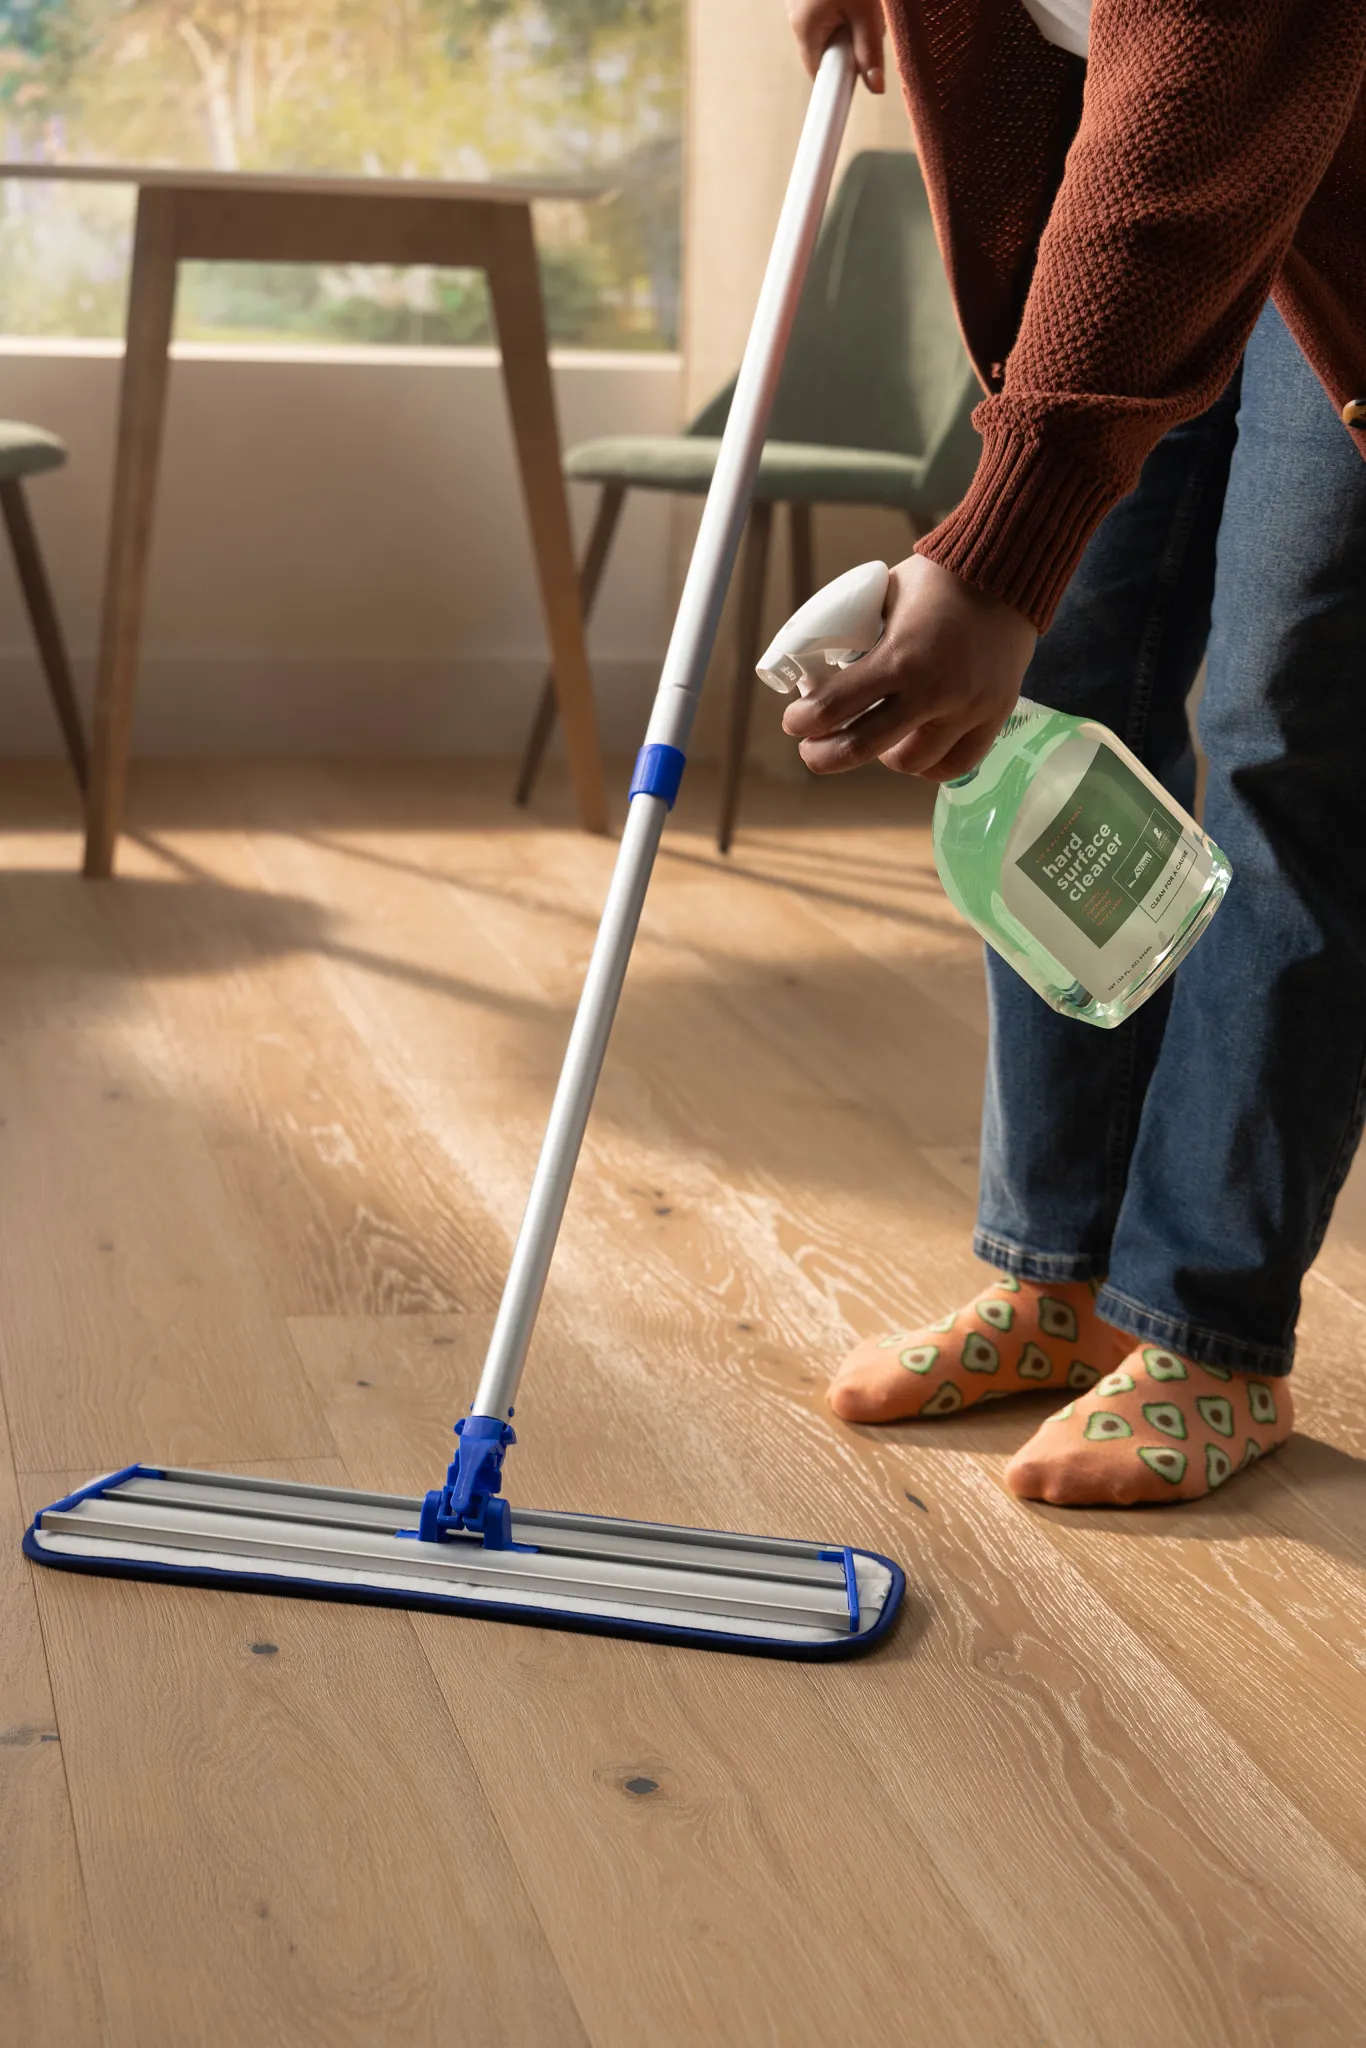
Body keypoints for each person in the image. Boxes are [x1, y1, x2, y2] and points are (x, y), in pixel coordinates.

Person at [783, 0, 1366, 1505]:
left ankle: (1207, 1330)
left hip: (1323, 164)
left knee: (1285, 737)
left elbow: (1222, 46)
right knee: (1061, 709)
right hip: (1132, 157)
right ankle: (1062, 1280)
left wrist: (997, 548)